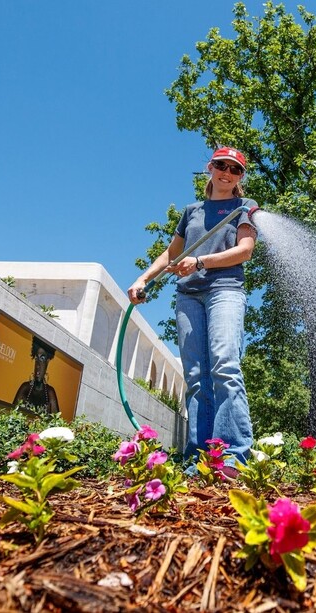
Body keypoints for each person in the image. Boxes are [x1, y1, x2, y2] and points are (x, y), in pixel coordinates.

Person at [128, 146, 257, 473]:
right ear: (210, 168)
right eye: (221, 166)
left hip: (225, 289)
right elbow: (171, 255)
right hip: (189, 296)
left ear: (240, 176)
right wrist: (142, 279)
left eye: (235, 169)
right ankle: (198, 459)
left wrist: (199, 261)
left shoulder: (245, 207)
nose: (227, 173)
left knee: (225, 364)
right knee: (197, 377)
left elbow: (245, 251)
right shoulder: (192, 212)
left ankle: (232, 456)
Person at [14, 337, 60, 416]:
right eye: (36, 358)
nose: (38, 365)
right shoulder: (25, 388)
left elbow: (56, 423)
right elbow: (12, 413)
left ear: (47, 362)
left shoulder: (49, 392)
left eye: (42, 358)